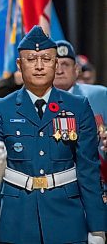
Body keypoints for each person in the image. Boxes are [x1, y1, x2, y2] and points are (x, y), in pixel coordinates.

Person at [0, 26, 106, 243]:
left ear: (55, 64)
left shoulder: (78, 106)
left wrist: (97, 228)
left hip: (66, 215)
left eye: (46, 59)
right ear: (19, 65)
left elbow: (89, 170)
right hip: (18, 216)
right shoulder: (1, 107)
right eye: (31, 59)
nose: (38, 66)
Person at [53, 39, 107, 201]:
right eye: (55, 64)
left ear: (76, 70)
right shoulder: (36, 102)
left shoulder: (99, 95)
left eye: (65, 64)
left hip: (97, 187)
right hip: (54, 193)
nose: (60, 70)